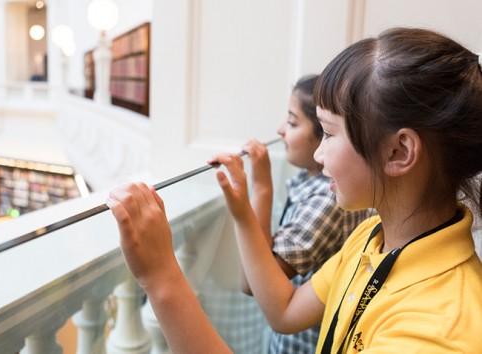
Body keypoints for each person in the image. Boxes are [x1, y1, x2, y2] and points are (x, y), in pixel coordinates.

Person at [107, 27, 482, 353]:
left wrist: (161, 278)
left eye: (330, 133)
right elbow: (283, 311)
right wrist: (245, 207)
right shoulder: (372, 239)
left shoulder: (440, 329)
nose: (319, 152)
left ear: (398, 152)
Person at [241, 75, 370, 354]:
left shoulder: (325, 199)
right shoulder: (310, 183)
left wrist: (262, 187)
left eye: (292, 121)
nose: (280, 130)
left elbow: (252, 282)